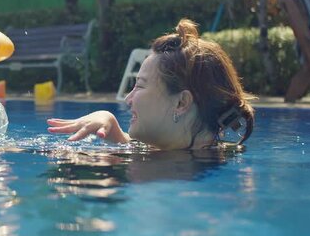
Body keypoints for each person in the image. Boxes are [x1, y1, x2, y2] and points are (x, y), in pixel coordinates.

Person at [47, 19, 255, 150]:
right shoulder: (188, 152)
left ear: (181, 103)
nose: (128, 100)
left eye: (140, 85)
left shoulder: (180, 179)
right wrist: (112, 128)